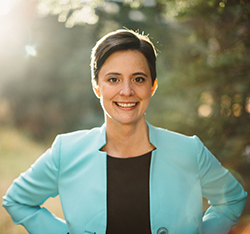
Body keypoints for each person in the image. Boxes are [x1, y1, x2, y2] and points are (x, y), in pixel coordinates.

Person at [2, 29, 248, 234]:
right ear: (97, 86)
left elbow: (233, 199)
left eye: (138, 79)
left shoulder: (189, 150)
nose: (127, 91)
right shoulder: (66, 151)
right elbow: (17, 201)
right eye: (113, 79)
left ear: (153, 86)